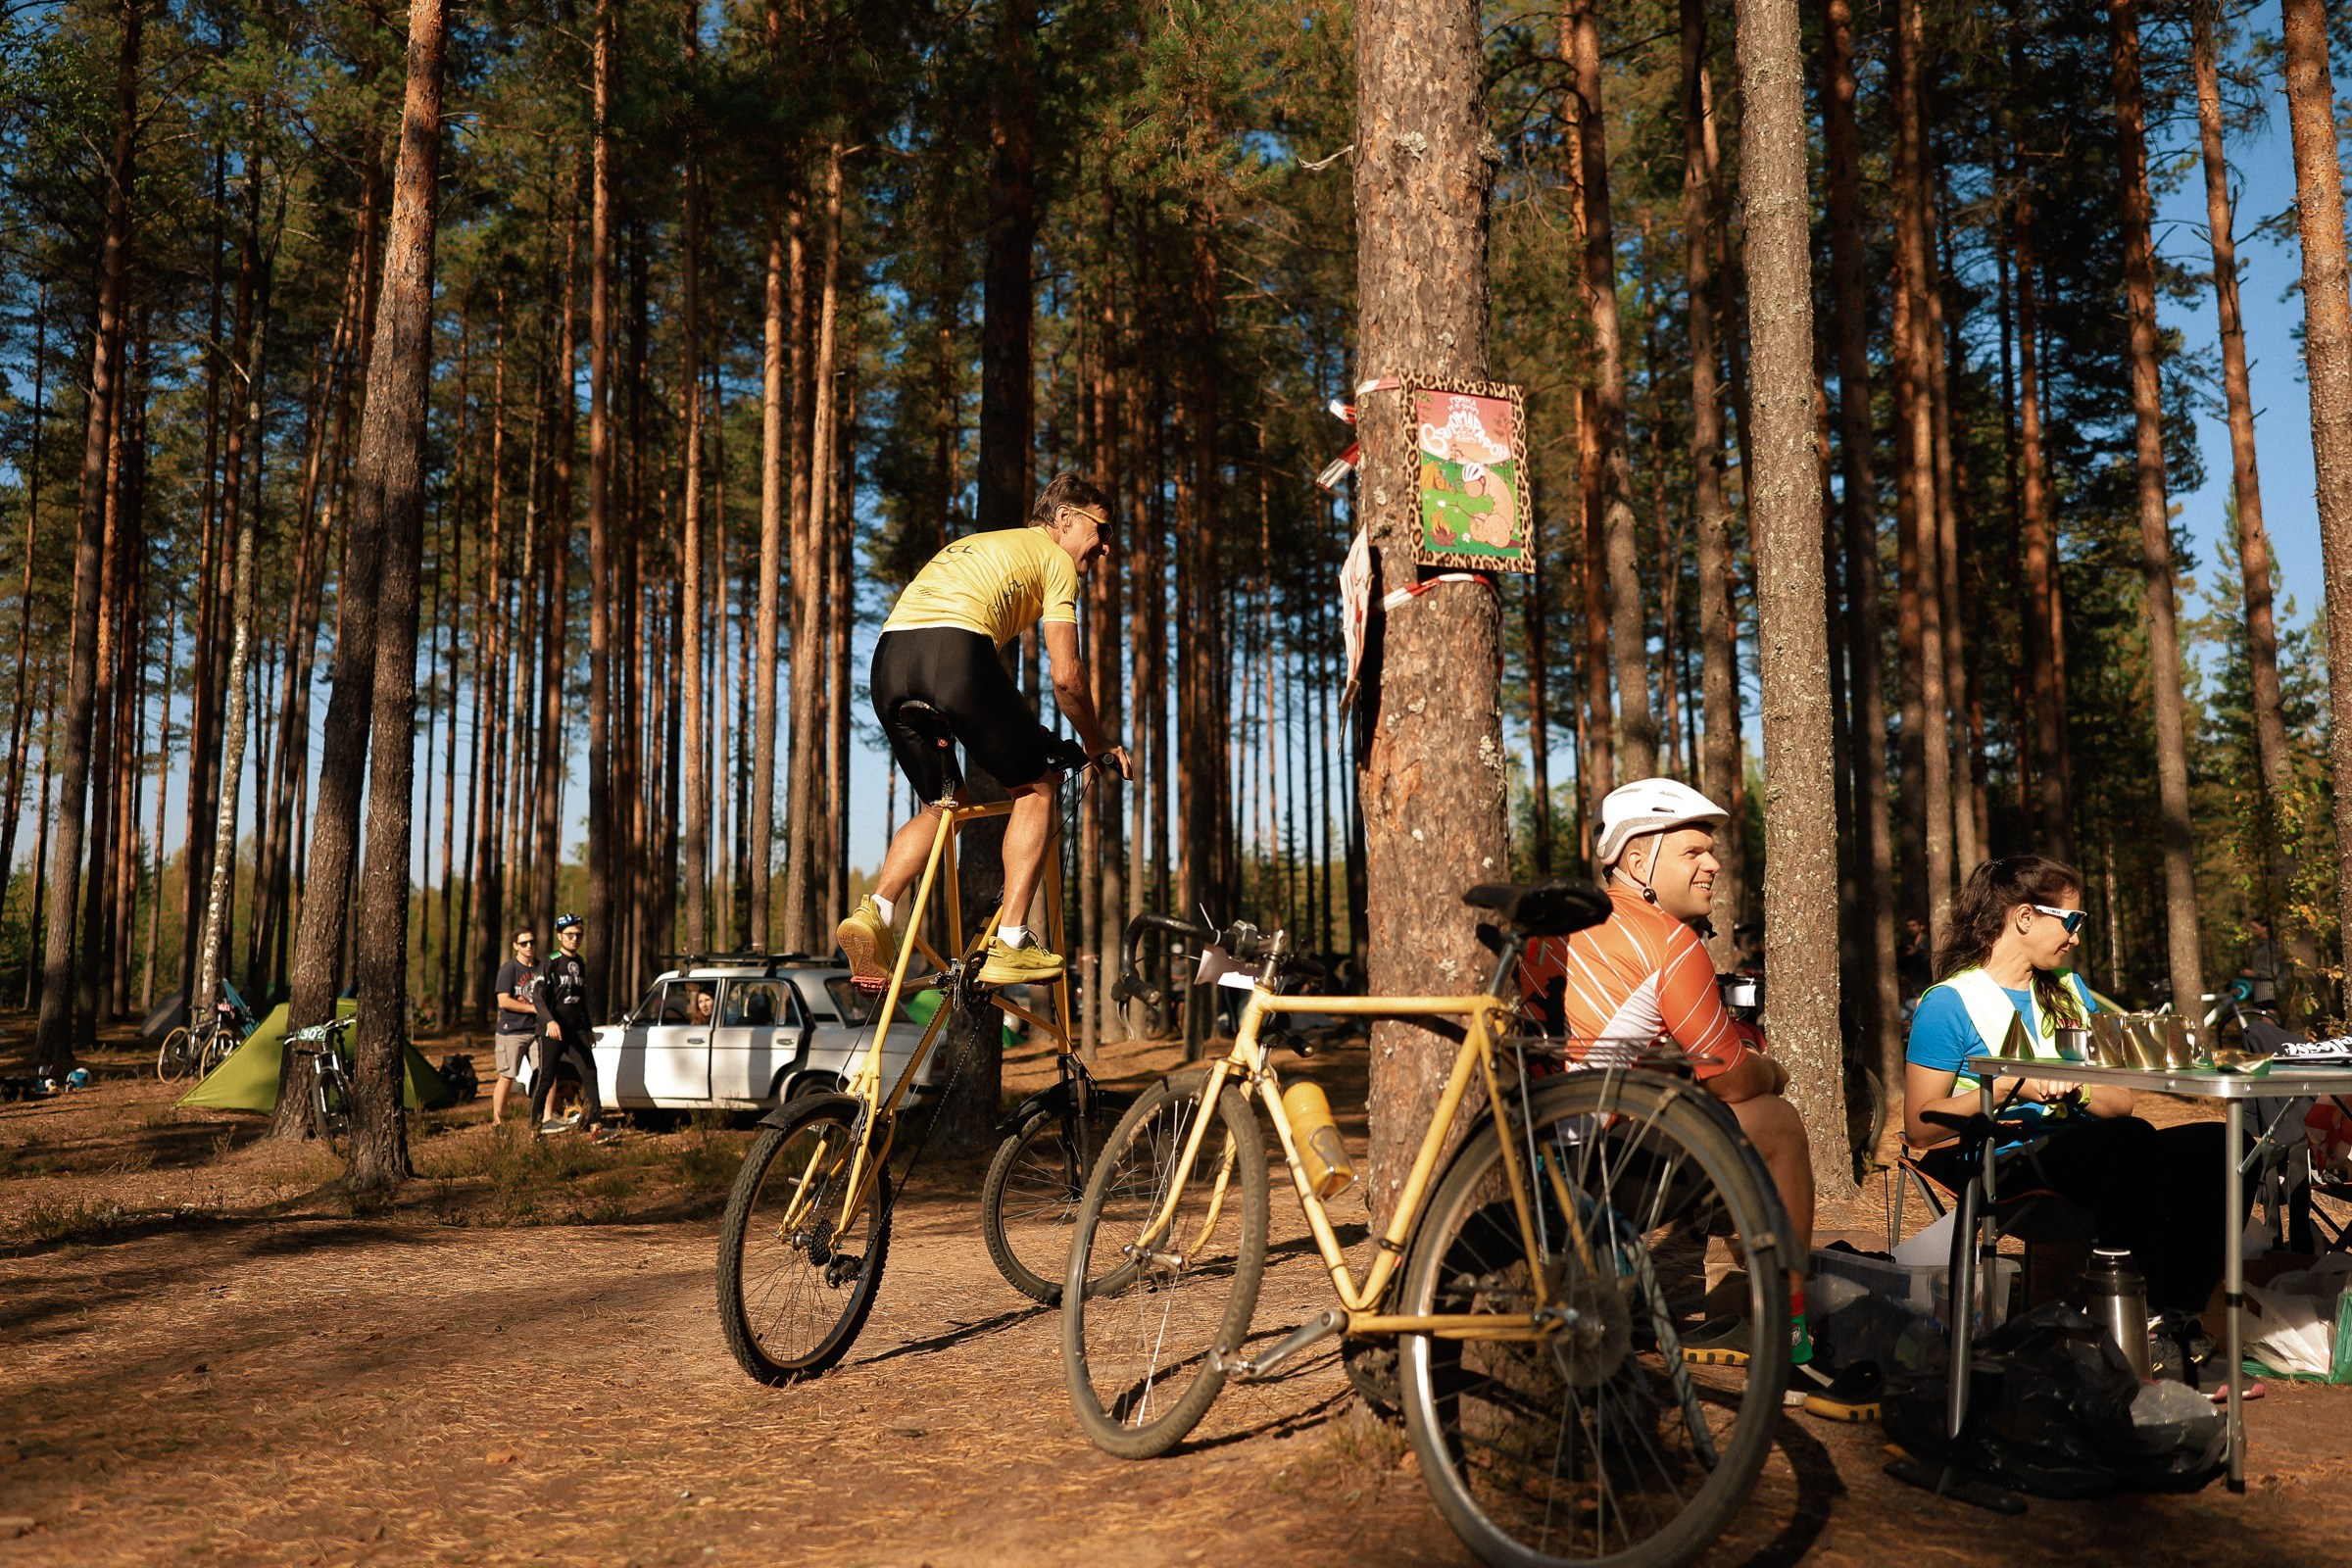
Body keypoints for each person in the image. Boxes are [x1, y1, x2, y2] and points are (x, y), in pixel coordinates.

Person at [1517, 778, 1828, 1388]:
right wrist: (1773, 1068)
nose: (1713, 863)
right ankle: (1790, 1337)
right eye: (1692, 852)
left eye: (1711, 851)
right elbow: (1734, 1080)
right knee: (1776, 1122)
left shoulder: (1559, 926)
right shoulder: (1666, 940)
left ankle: (1736, 1287)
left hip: (1524, 1162)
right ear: (1636, 860)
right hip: (1589, 1173)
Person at [835, 473, 1131, 990]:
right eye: (1102, 530)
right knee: (1037, 787)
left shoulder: (981, 544)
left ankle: (876, 912)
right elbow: (1067, 678)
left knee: (944, 804)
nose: (1105, 547)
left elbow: (981, 693)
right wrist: (1097, 740)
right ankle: (1012, 943)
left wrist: (1017, 728)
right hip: (956, 651)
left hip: (888, 659)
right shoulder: (1057, 561)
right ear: (1065, 519)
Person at [1904, 855, 2231, 1316]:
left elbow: (2121, 1104)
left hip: (2089, 1150)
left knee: (2222, 1144)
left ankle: (2178, 1315)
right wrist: (2007, 1088)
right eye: (2071, 920)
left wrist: (2078, 1091)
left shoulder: (2070, 988)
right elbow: (1919, 1128)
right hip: (2002, 1157)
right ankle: (2136, 1319)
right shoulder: (1948, 1003)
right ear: (2024, 917)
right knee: (2129, 1145)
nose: (2076, 936)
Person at [535, 912, 615, 1145]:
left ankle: (596, 1128)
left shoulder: (579, 963)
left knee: (590, 1073)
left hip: (576, 1030)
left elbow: (581, 1000)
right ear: (560, 935)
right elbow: (537, 997)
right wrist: (549, 1021)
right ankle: (535, 1129)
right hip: (551, 1030)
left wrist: (588, 1028)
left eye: (578, 935)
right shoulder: (550, 961)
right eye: (570, 935)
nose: (574, 939)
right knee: (546, 1078)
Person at [489, 928, 541, 1127]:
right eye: (524, 943)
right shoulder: (509, 969)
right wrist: (533, 1008)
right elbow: (504, 1001)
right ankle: (498, 1122)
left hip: (536, 1031)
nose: (529, 946)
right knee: (508, 1076)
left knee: (542, 1075)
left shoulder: (540, 968)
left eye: (532, 942)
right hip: (512, 1032)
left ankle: (541, 1120)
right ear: (515, 946)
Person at [2241, 915, 2278, 1012]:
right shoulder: (2258, 947)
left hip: (2270, 994)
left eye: (2255, 928)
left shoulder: (2271, 947)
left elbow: (2274, 972)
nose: (2252, 930)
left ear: (2265, 928)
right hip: (2260, 994)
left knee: (2268, 1023)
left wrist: (2253, 973)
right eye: (2251, 927)